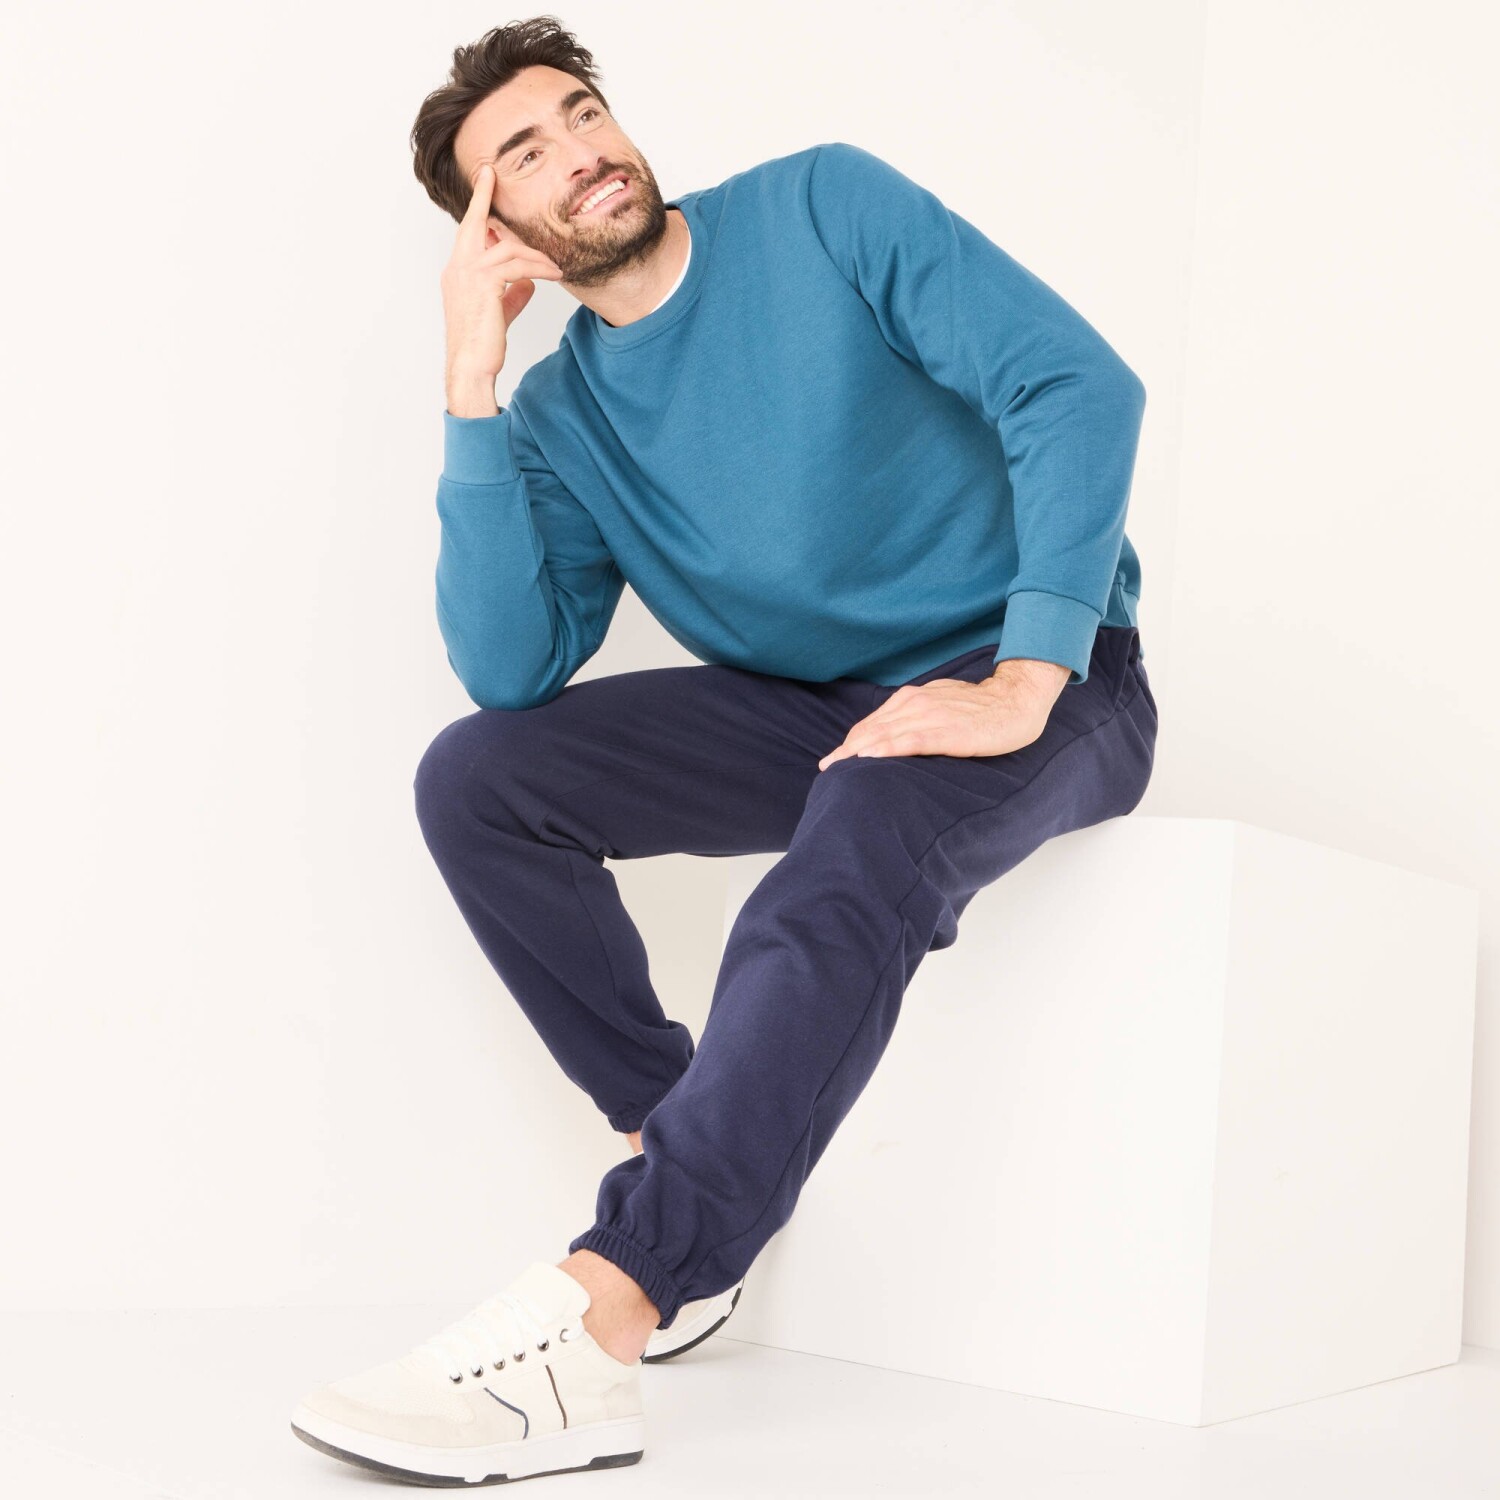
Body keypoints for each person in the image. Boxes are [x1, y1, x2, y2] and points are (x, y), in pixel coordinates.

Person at [290, 16, 1158, 1487]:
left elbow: (1077, 386)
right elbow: (511, 668)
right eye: (526, 154)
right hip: (818, 709)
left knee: (853, 846)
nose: (582, 152)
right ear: (492, 230)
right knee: (478, 781)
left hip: (1052, 679)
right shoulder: (561, 412)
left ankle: (614, 1309)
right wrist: (472, 381)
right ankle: (673, 1135)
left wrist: (1029, 671)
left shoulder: (824, 205)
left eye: (582, 112)